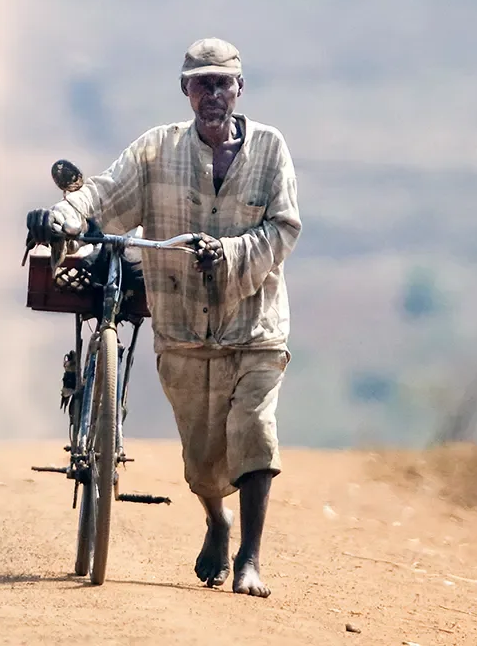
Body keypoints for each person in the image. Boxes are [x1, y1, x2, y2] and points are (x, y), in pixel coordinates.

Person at [38, 38, 300, 597]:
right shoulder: (156, 151)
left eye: (222, 82)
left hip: (253, 326)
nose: (212, 93)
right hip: (182, 333)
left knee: (254, 429)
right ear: (186, 91)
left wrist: (228, 255)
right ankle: (216, 520)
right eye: (201, 83)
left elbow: (283, 228)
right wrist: (62, 217)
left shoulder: (271, 150)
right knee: (203, 461)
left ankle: (251, 559)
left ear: (240, 89)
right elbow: (103, 195)